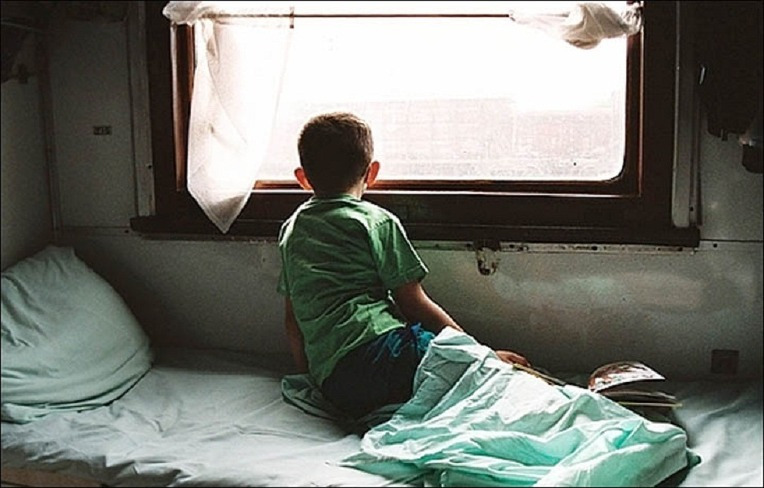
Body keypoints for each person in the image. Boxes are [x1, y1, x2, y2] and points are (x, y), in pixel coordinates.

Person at [277, 112, 530, 419]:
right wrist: (477, 352)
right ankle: (490, 367)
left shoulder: (291, 231)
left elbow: (293, 319)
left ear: (302, 178)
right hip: (382, 354)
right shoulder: (375, 221)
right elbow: (413, 302)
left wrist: (312, 376)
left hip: (336, 383)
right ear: (372, 172)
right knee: (444, 354)